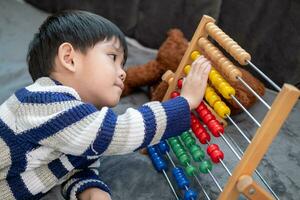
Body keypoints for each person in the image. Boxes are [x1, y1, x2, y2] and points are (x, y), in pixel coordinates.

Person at [0, 10, 211, 200]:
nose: (123, 72)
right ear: (69, 58)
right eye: (113, 57)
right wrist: (184, 103)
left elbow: (75, 165)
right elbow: (112, 133)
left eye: (123, 64)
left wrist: (90, 189)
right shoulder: (43, 101)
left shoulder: (79, 129)